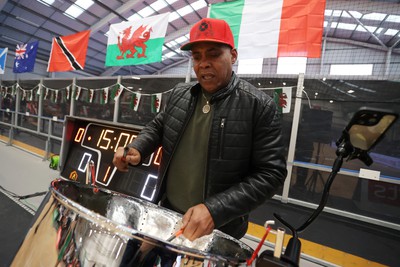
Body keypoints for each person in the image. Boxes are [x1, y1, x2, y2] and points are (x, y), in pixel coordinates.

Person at [113, 18, 287, 241]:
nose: (203, 63)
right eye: (197, 57)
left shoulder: (258, 106)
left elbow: (271, 173)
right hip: (166, 214)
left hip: (217, 230)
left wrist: (215, 210)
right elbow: (159, 125)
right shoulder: (180, 94)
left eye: (213, 54)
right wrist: (139, 146)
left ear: (233, 56)